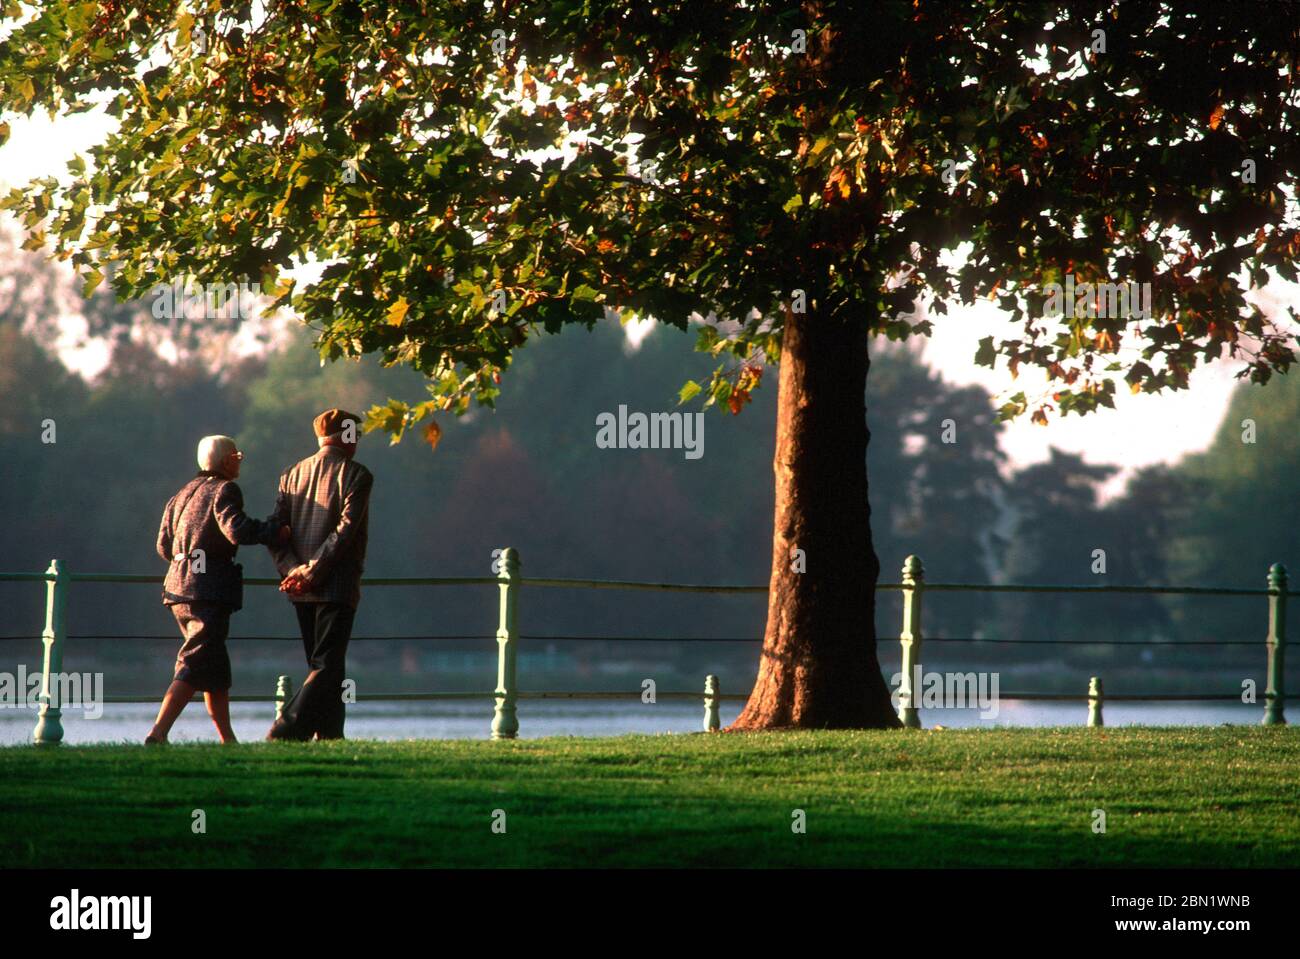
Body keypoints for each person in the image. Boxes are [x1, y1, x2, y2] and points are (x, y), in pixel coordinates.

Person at [149, 435, 289, 744]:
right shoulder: (225, 490)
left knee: (214, 666)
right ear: (226, 461)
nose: (240, 460)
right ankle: (158, 733)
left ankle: (228, 740)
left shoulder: (181, 493)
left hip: (177, 588)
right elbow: (236, 530)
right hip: (206, 590)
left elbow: (163, 545)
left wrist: (185, 560)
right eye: (237, 456)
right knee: (194, 660)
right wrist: (274, 532)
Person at [266, 409, 374, 741]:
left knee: (326, 664)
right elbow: (344, 532)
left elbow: (275, 531)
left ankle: (330, 736)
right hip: (336, 584)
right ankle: (286, 730)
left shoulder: (291, 474)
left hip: (299, 586)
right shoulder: (357, 475)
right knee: (326, 666)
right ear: (346, 437)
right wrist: (313, 571)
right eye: (356, 433)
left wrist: (293, 570)